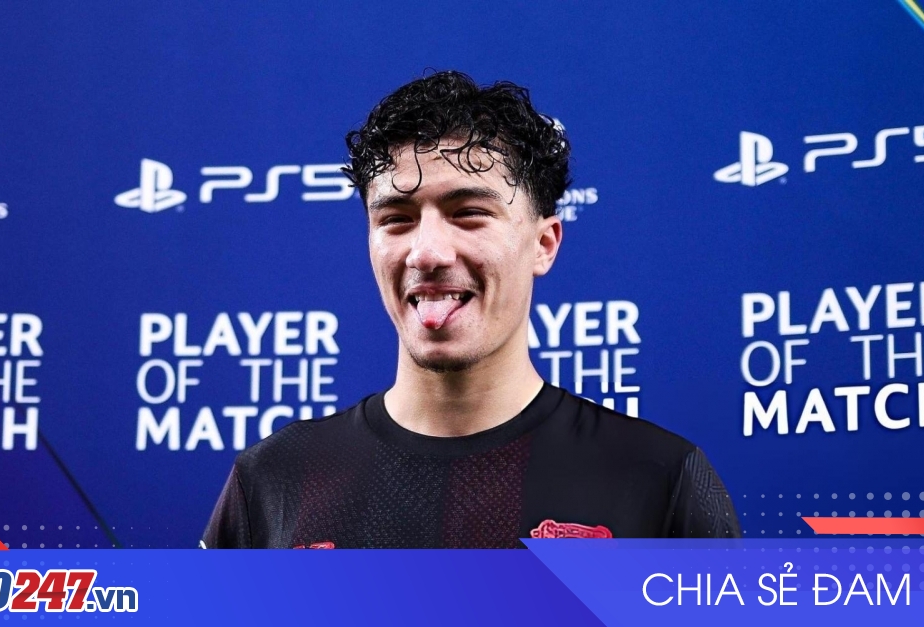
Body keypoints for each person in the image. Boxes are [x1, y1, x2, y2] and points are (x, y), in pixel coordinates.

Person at [201, 71, 740, 548]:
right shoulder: (272, 480)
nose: (427, 253)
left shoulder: (661, 479)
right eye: (396, 219)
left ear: (544, 244)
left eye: (469, 213)